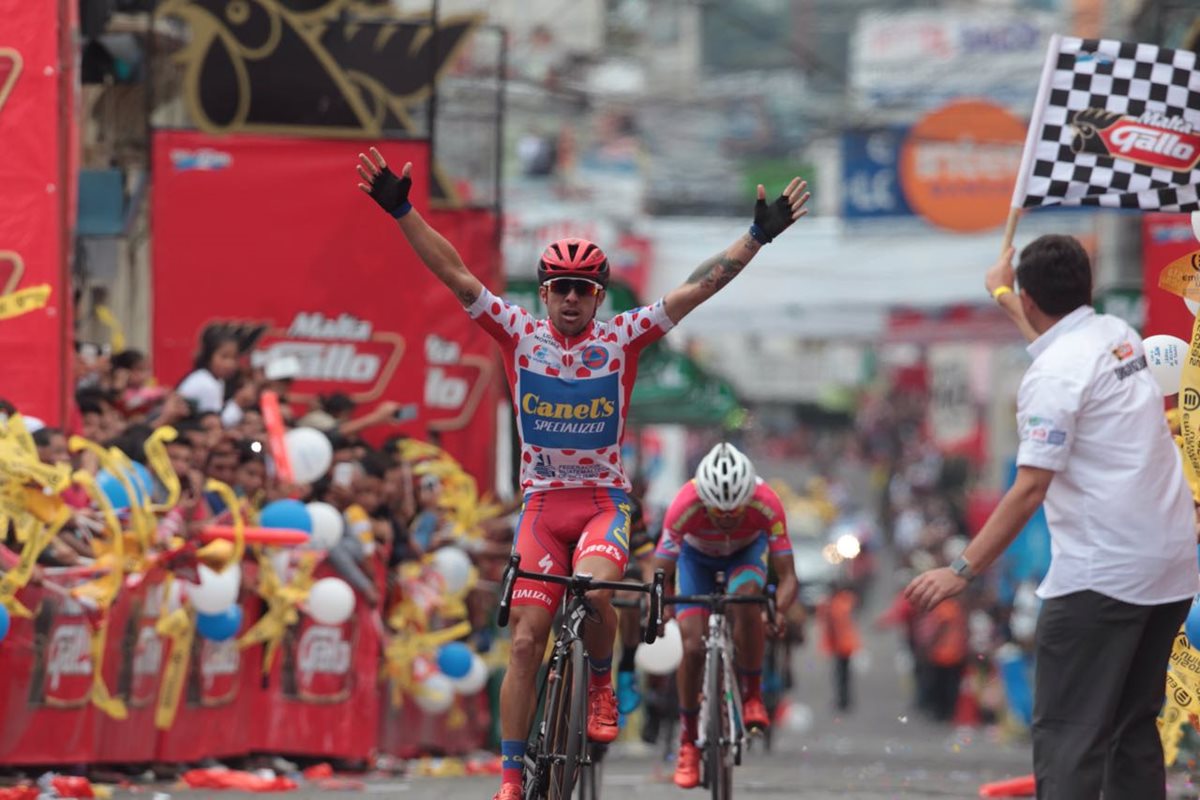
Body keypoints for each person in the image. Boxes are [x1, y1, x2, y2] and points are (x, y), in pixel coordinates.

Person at [356, 147, 808, 800]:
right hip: (542, 506)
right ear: (544, 294)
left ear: (598, 296)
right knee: (523, 644)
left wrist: (758, 236)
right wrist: (401, 210)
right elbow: (453, 273)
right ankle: (513, 775)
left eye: (582, 289)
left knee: (597, 593)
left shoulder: (623, 337)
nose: (571, 299)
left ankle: (600, 683)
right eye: (560, 288)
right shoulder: (517, 331)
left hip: (601, 503)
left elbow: (700, 286)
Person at [906, 234, 1198, 800]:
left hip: (1102, 579)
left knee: (1068, 736)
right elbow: (1062, 352)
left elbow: (1029, 488)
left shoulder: (1051, 377)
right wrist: (1004, 295)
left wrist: (960, 570)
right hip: (1168, 572)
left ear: (1031, 298)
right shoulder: (1117, 336)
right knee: (1130, 729)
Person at [650, 443, 799, 789]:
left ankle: (752, 695)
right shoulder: (684, 504)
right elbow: (659, 574)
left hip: (746, 554)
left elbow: (788, 576)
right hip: (695, 560)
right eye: (719, 511)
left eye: (736, 511)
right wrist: (659, 607)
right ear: (704, 498)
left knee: (746, 600)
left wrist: (777, 611)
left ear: (749, 497)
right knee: (691, 646)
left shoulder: (767, 502)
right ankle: (688, 741)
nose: (728, 518)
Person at [177, 331, 240, 415]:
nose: (230, 364)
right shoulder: (206, 383)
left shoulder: (219, 380)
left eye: (234, 357)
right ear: (209, 357)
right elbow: (215, 423)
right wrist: (239, 403)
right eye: (224, 357)